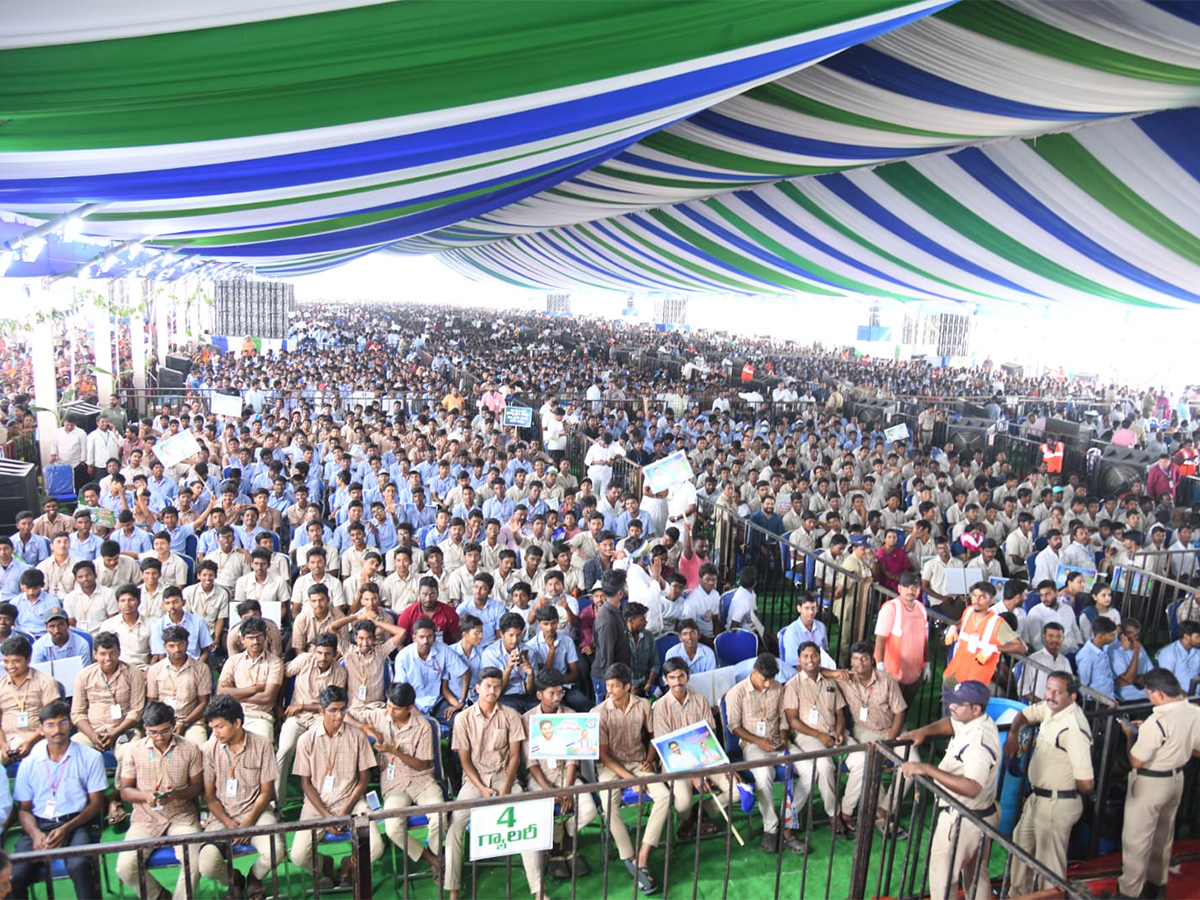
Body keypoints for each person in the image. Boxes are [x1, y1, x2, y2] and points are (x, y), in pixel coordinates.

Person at [443, 666, 545, 900]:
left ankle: (539, 891)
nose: (492, 691)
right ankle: (453, 890)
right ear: (477, 688)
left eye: (497, 686)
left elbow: (515, 757)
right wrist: (481, 788)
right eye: (487, 686)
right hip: (474, 781)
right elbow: (465, 762)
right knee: (455, 827)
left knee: (526, 824)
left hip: (504, 777)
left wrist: (507, 787)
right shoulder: (463, 719)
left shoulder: (511, 715)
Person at [898, 680, 1000, 900]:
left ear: (975, 709)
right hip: (980, 814)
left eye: (958, 704)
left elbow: (972, 787)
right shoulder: (975, 720)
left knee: (943, 879)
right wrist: (924, 731)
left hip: (964, 819)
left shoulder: (978, 743)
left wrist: (927, 769)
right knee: (975, 874)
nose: (951, 707)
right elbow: (951, 723)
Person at [1004, 672, 1093, 895]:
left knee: (1050, 868)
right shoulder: (1052, 708)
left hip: (1057, 803)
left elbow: (1086, 783)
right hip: (1037, 799)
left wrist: (1066, 788)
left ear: (1072, 697)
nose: (1050, 696)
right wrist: (1013, 734)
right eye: (1049, 689)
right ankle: (1019, 895)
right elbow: (1024, 714)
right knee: (1020, 846)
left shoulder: (1073, 730)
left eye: (1057, 692)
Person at [1116, 668, 1200, 898]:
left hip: (1151, 784)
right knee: (1163, 836)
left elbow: (1137, 760)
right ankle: (1157, 886)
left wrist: (1131, 736)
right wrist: (1175, 746)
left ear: (1159, 694)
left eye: (1150, 693)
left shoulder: (1156, 722)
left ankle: (1129, 893)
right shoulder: (1194, 711)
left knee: (1137, 839)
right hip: (1176, 780)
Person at [346, 683, 443, 880]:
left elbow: (421, 765)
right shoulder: (381, 715)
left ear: (410, 708)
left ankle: (438, 855)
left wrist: (394, 751)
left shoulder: (422, 726)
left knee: (439, 815)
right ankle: (432, 861)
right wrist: (366, 728)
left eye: (396, 709)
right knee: (392, 828)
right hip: (394, 784)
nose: (390, 712)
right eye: (388, 706)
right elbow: (347, 714)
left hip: (421, 780)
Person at [10, 700, 106, 900]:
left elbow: (97, 803)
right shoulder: (29, 764)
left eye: (62, 723)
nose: (57, 730)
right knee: (15, 874)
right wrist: (36, 834)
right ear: (41, 729)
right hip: (39, 824)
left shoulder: (90, 757)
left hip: (76, 823)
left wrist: (66, 829)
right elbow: (24, 809)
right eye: (50, 725)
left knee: (80, 866)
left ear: (70, 724)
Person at [289, 684, 383, 888]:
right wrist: (328, 816)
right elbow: (305, 784)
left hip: (352, 801)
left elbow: (364, 779)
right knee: (298, 856)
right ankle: (326, 865)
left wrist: (344, 811)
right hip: (317, 805)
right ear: (321, 711)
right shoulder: (306, 740)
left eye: (342, 709)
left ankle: (348, 865)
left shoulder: (357, 735)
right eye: (333, 710)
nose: (339, 716)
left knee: (376, 848)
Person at [199, 694, 286, 899]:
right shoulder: (209, 749)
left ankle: (254, 877)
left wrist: (248, 822)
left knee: (276, 851)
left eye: (220, 727)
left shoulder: (262, 745)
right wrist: (229, 822)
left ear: (237, 723)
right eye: (212, 728)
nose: (216, 733)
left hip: (256, 812)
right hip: (222, 815)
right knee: (207, 865)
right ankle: (234, 879)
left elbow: (266, 792)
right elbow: (209, 797)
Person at [116, 701, 204, 900]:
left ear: (173, 724)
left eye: (164, 731)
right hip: (145, 817)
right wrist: (145, 797)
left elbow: (197, 787)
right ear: (145, 729)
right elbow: (125, 791)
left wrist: (177, 794)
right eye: (152, 732)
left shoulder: (190, 748)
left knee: (194, 861)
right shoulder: (134, 750)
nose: (159, 737)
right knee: (125, 867)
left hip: (181, 815)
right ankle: (158, 896)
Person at [591, 661, 664, 894]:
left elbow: (653, 735)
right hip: (610, 767)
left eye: (614, 686)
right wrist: (632, 781)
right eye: (607, 686)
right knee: (608, 806)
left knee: (664, 796)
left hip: (637, 760)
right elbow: (602, 755)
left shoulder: (643, 705)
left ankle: (643, 853)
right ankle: (629, 857)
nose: (609, 691)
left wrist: (650, 758)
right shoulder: (599, 712)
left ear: (628, 687)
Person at [522, 669, 597, 879]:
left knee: (589, 810)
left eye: (560, 693)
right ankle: (557, 848)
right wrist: (549, 790)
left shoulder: (570, 716)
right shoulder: (527, 720)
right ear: (539, 695)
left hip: (567, 776)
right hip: (540, 778)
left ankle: (564, 835)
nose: (557, 698)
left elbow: (573, 760)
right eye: (551, 694)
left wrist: (567, 790)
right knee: (543, 810)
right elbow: (531, 764)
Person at [725, 653, 803, 853]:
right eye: (764, 679)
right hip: (752, 745)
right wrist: (760, 741)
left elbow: (783, 719)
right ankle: (771, 827)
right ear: (754, 672)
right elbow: (734, 726)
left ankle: (787, 819)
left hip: (778, 741)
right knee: (764, 774)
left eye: (772, 679)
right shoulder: (736, 693)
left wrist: (784, 738)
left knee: (811, 769)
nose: (768, 684)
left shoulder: (778, 688)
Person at [839, 641, 906, 833]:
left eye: (865, 658)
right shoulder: (845, 679)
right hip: (865, 730)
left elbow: (900, 713)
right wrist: (836, 673)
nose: (860, 663)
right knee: (872, 761)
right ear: (850, 662)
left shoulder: (886, 681)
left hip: (893, 730)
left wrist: (890, 742)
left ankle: (884, 807)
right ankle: (880, 814)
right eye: (856, 659)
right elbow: (818, 671)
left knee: (912, 764)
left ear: (872, 660)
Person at [782, 641, 844, 845]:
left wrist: (840, 731)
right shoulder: (793, 685)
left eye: (814, 656)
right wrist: (819, 736)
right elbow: (793, 721)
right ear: (799, 660)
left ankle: (849, 810)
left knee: (863, 758)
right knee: (824, 765)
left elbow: (839, 712)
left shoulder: (830, 682)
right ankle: (833, 814)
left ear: (820, 658)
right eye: (806, 656)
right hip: (808, 736)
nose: (810, 660)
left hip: (833, 732)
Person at [277, 632, 346, 806]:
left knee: (323, 752)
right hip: (296, 717)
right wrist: (279, 704)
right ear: (314, 651)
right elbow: (283, 676)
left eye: (328, 653)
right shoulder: (304, 660)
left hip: (321, 718)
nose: (323, 657)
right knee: (284, 750)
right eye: (320, 653)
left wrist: (302, 706)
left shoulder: (340, 672)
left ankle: (325, 801)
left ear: (334, 653)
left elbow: (332, 705)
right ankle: (277, 802)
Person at [942, 581, 1026, 690]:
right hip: (954, 672)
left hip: (974, 680)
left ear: (991, 600)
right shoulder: (969, 612)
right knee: (948, 702)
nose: (977, 600)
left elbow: (1021, 647)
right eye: (974, 596)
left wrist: (995, 648)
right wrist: (953, 628)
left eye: (982, 597)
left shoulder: (996, 623)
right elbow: (961, 624)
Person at [216, 616, 283, 744]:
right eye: (250, 638)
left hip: (260, 716)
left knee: (264, 746)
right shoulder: (234, 661)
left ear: (265, 637)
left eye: (259, 637)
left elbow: (267, 697)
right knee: (213, 746)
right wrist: (255, 689)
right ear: (242, 640)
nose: (255, 642)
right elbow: (220, 692)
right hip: (232, 715)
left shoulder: (274, 662)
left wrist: (235, 695)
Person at [145, 625, 211, 746]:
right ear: (165, 647)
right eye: (171, 646)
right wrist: (164, 725)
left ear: (187, 644)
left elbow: (204, 703)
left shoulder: (201, 669)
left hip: (192, 721)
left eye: (181, 644)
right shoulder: (154, 670)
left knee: (199, 747)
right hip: (161, 722)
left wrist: (185, 722)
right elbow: (151, 703)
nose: (177, 649)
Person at [0, 634, 62, 763]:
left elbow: (51, 720)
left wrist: (29, 742)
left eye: (16, 661)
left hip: (39, 739)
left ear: (28, 659)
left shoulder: (45, 681)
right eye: (6, 661)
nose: (10, 666)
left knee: (42, 754)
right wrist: (3, 745)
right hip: (6, 740)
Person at [874, 572, 929, 705]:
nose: (911, 591)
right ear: (899, 589)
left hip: (914, 671)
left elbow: (924, 640)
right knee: (890, 708)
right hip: (893, 673)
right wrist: (880, 666)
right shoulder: (890, 608)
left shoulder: (921, 608)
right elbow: (880, 640)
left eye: (914, 587)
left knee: (906, 706)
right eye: (907, 587)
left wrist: (927, 664)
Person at [592, 569, 630, 701]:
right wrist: (610, 685)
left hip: (617, 674)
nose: (628, 587)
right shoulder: (607, 621)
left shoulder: (616, 610)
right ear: (619, 593)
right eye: (626, 585)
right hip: (607, 678)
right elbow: (606, 657)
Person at [1110, 619, 1153, 703]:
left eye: (1136, 635)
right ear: (1121, 634)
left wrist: (1134, 679)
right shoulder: (1113, 651)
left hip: (1147, 693)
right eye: (1129, 634)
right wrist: (1136, 652)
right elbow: (1128, 680)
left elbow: (1151, 674)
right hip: (1129, 697)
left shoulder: (1138, 645)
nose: (1134, 638)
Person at [1076, 616, 1118, 700]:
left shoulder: (1105, 648)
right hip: (1097, 703)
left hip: (1111, 697)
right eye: (1111, 635)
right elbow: (1083, 685)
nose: (1114, 638)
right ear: (1101, 636)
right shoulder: (1086, 656)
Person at [1155, 621, 1200, 696]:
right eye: (1198, 636)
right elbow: (1167, 682)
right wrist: (1187, 697)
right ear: (1186, 637)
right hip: (1180, 697)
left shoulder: (1197, 651)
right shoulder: (1169, 653)